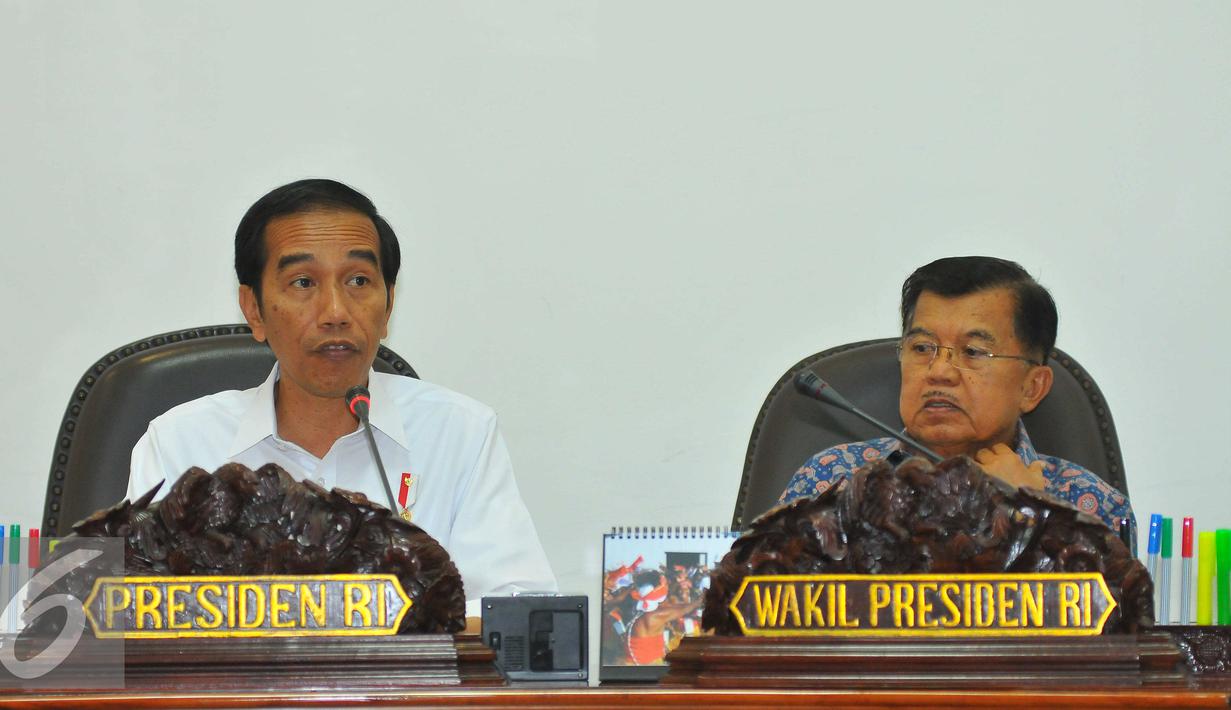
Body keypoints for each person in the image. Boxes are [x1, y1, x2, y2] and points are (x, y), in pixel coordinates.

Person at [126, 179, 557, 620]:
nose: (335, 312)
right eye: (303, 282)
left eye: (358, 280)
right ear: (253, 308)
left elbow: (520, 612)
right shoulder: (180, 443)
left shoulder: (459, 434)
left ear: (388, 305)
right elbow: (128, 616)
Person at [778, 256, 1134, 535]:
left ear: (1032, 387)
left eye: (974, 352)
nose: (940, 371)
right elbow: (753, 608)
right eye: (922, 347)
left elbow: (1114, 624)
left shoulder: (1091, 508)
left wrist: (1034, 518)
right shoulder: (830, 482)